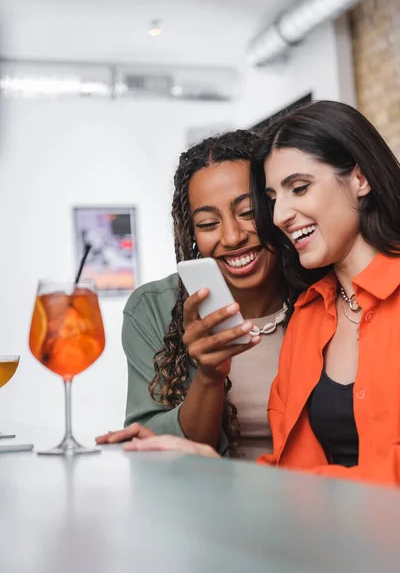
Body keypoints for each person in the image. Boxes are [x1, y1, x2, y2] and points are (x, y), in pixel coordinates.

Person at [100, 101, 400, 488]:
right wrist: (212, 465)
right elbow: (294, 467)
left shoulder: (305, 303)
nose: (279, 217)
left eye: (300, 188)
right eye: (273, 199)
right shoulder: (314, 311)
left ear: (360, 179)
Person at [97, 130, 296, 460]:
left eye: (248, 212)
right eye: (207, 223)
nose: (232, 237)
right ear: (191, 235)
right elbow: (161, 446)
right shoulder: (154, 308)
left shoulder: (320, 294)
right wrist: (209, 375)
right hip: (210, 503)